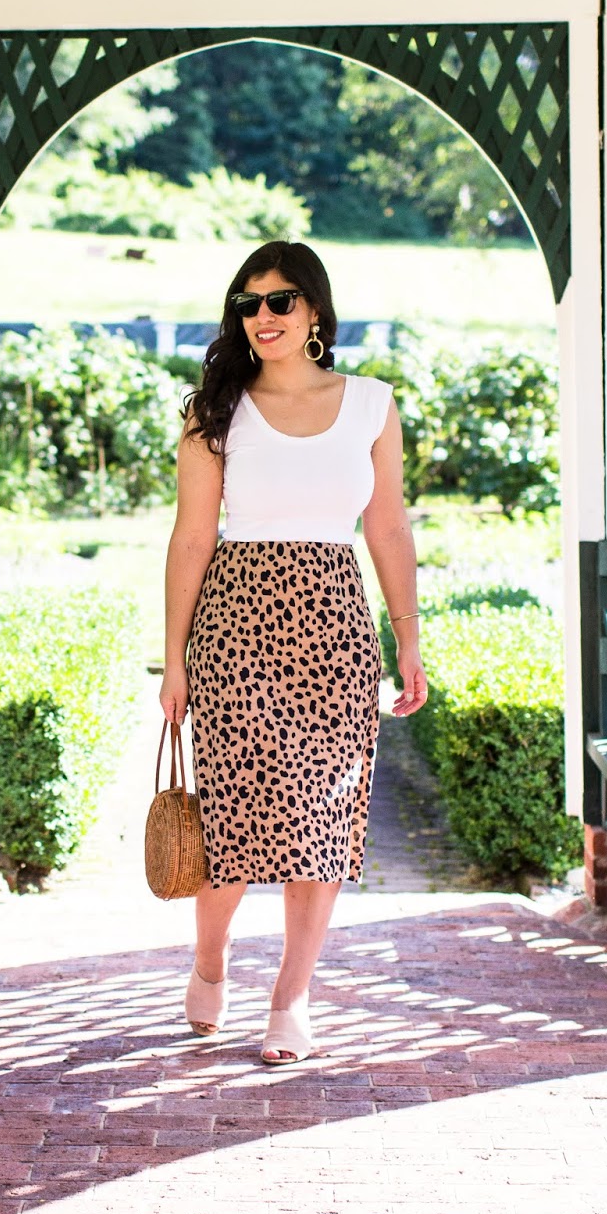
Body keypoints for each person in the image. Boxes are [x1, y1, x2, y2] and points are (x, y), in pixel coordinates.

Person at [159, 240, 427, 1065]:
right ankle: (212, 959)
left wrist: (407, 642)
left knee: (323, 820)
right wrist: (173, 660)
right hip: (235, 627)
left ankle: (293, 997)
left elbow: (387, 527)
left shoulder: (374, 404)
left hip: (335, 627)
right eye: (248, 303)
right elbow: (192, 536)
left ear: (315, 310)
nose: (263, 316)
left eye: (280, 301)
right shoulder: (214, 411)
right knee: (234, 821)